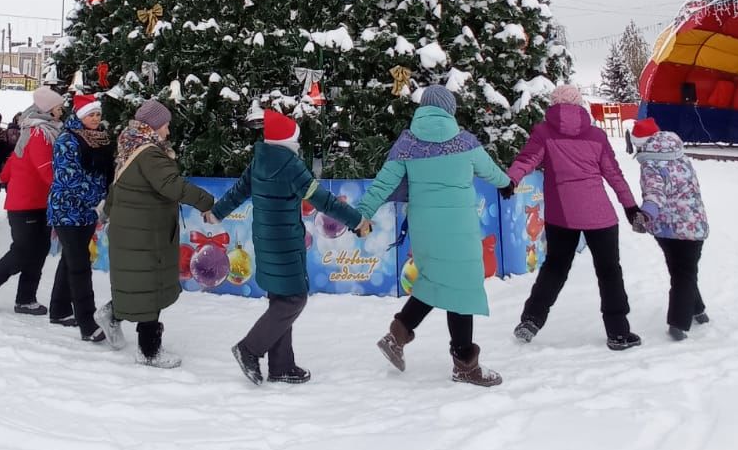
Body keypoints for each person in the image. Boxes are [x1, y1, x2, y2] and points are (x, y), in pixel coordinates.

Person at [354, 86, 511, 388]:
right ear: (450, 109)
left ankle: (396, 336)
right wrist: (506, 183)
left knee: (434, 279)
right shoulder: (464, 142)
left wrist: (361, 212)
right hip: (459, 226)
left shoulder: (407, 143)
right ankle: (465, 364)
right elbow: (491, 172)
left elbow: (383, 184)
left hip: (425, 225)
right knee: (462, 288)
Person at [210, 109, 368, 386]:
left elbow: (238, 191)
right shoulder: (291, 166)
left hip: (264, 239)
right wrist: (357, 221)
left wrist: (216, 213)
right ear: (290, 141)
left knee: (280, 300)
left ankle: (282, 366)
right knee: (294, 299)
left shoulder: (259, 162)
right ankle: (249, 349)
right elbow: (325, 202)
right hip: (285, 242)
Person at [507, 84, 643, 351]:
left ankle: (531, 320)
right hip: (600, 214)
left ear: (554, 105)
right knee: (609, 272)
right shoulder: (596, 135)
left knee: (555, 268)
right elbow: (614, 174)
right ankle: (618, 332)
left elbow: (527, 159)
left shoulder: (544, 132)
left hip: (562, 215)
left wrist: (510, 180)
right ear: (580, 105)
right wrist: (630, 207)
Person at [95, 100, 215, 367]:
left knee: (141, 284)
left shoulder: (131, 146)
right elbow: (172, 185)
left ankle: (112, 314)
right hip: (145, 233)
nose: (168, 131)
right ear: (155, 126)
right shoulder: (149, 153)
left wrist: (108, 213)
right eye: (166, 125)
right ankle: (149, 351)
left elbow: (117, 187)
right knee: (150, 288)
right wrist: (207, 202)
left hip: (135, 229)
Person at [0, 87, 65, 317]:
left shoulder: (42, 130)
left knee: (39, 250)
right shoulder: (38, 134)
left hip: (41, 201)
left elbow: (16, 159)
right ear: (48, 108)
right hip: (25, 202)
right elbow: (46, 170)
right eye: (58, 106)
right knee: (23, 250)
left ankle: (26, 298)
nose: (62, 110)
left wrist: (2, 177)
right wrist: (68, 190)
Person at [629, 118, 710, 340]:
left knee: (681, 273)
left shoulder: (651, 164)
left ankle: (678, 323)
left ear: (642, 143)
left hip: (669, 229)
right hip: (694, 223)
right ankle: (698, 309)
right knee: (685, 270)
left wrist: (645, 215)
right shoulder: (680, 155)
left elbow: (655, 194)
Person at [47, 94, 115, 342]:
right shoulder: (67, 140)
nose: (95, 119)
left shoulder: (100, 138)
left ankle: (59, 309)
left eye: (97, 114)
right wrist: (96, 200)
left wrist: (104, 199)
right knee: (80, 265)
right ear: (79, 116)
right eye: (90, 115)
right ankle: (88, 323)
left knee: (71, 259)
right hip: (68, 210)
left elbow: (106, 172)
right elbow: (69, 180)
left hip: (89, 210)